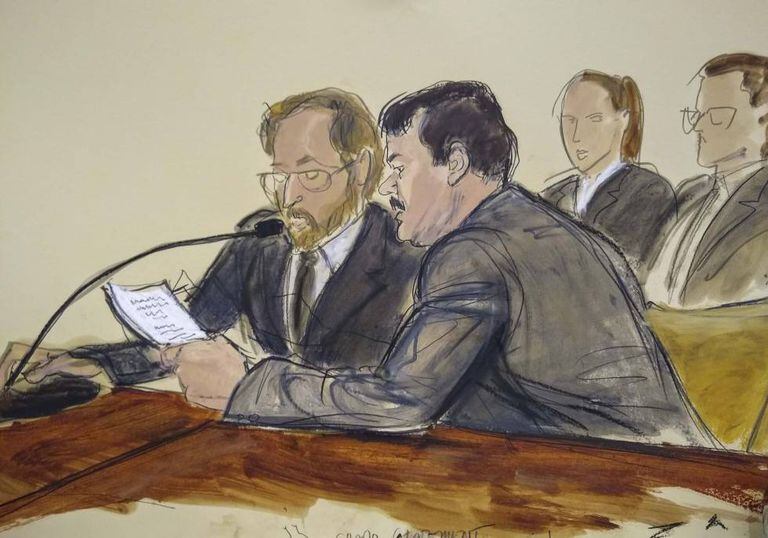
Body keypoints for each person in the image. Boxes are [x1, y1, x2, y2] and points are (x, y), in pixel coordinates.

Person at [180, 81, 711, 446]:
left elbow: (400, 402)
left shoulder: (473, 253)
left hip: (625, 479)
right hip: (648, 462)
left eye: (399, 166)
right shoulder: (540, 228)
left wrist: (247, 385)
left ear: (454, 163)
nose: (388, 187)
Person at [21, 88, 423, 411]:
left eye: (311, 174)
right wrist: (91, 363)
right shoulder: (261, 240)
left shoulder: (412, 258)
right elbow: (189, 335)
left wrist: (246, 384)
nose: (290, 198)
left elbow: (392, 395)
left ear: (361, 170)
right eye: (280, 176)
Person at [646, 53, 768, 309]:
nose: (698, 127)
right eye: (698, 114)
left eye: (716, 115)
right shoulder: (692, 193)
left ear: (764, 120)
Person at [540, 70, 677, 284]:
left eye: (594, 119)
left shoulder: (650, 192)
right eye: (569, 121)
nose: (576, 136)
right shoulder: (552, 196)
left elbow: (625, 275)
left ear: (623, 120)